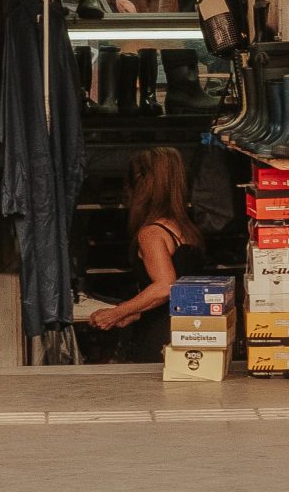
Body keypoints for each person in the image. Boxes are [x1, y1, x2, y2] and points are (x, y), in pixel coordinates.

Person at [82, 147, 209, 354]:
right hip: (190, 330)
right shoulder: (184, 227)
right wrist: (134, 312)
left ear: (141, 183)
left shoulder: (152, 233)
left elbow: (164, 287)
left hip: (161, 338)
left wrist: (115, 313)